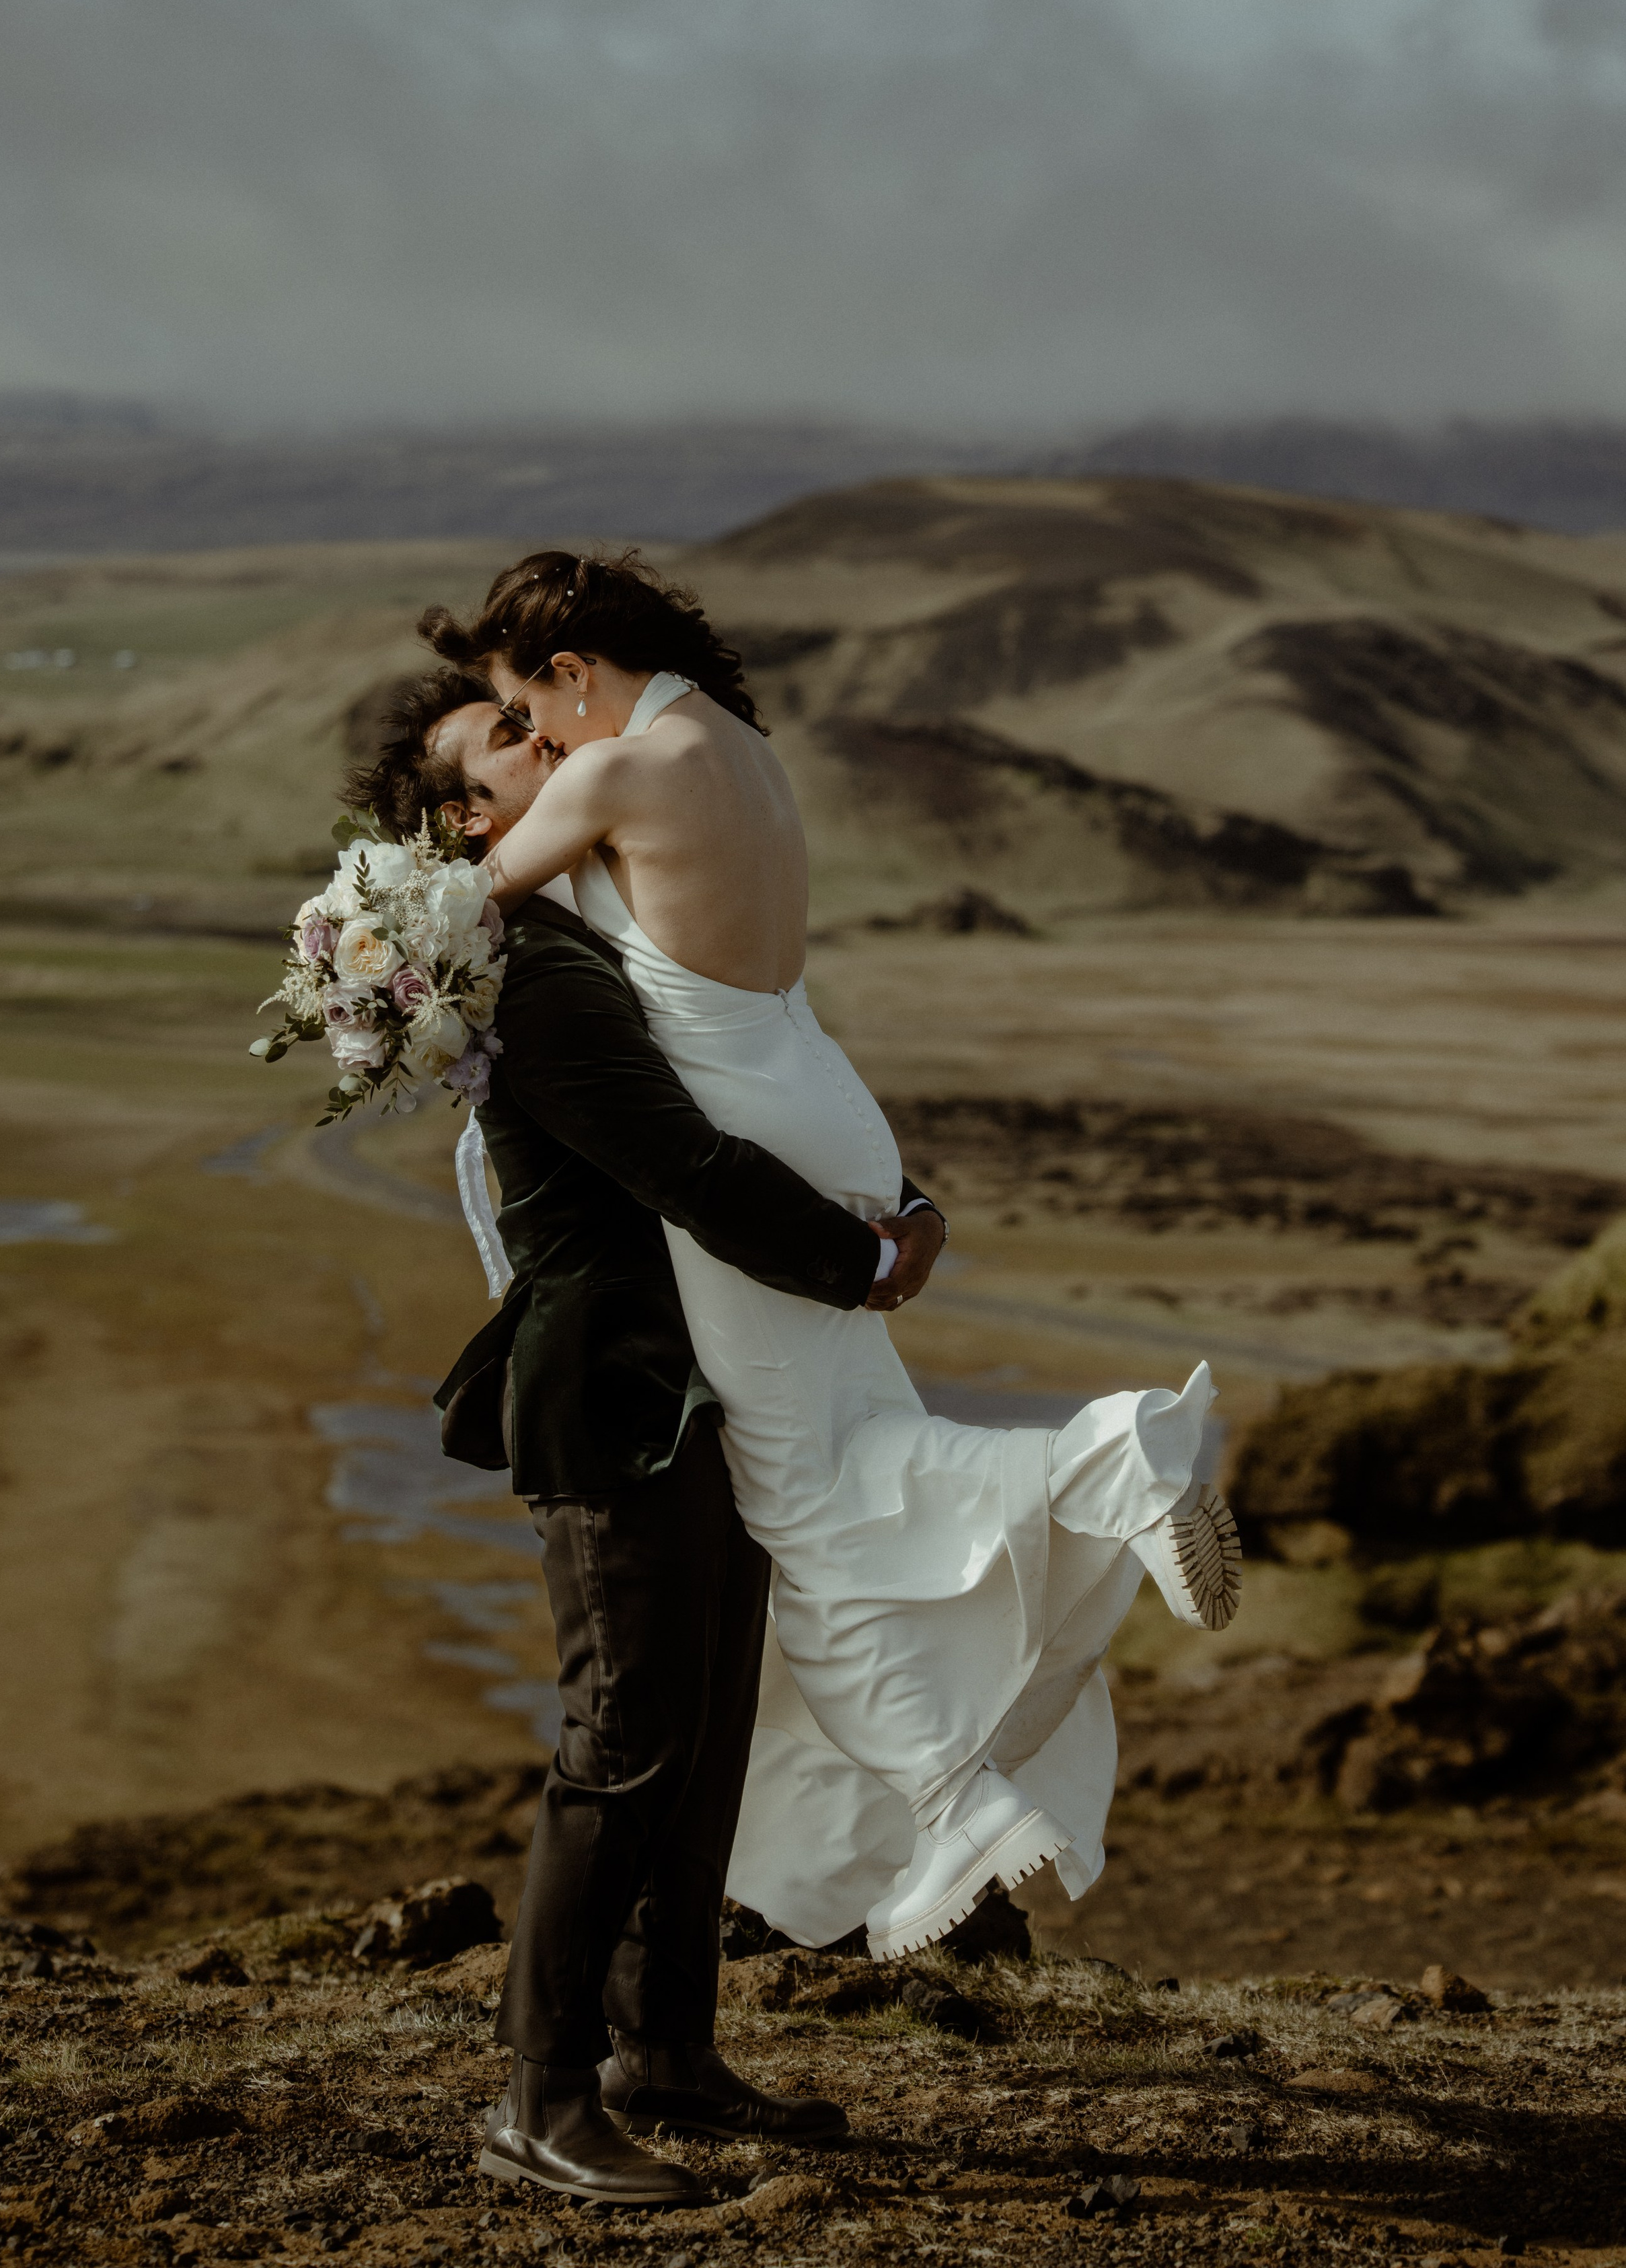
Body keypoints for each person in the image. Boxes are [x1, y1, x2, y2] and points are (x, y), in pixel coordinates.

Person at [421, 552, 1241, 1969]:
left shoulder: (608, 775)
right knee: (859, 1447)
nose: (541, 744)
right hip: (824, 1099)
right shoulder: (730, 745)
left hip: (748, 1130)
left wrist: (368, 933)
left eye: (526, 709)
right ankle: (945, 1783)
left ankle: (1104, 1475)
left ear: (569, 669)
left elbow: (456, 911)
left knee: (806, 1501)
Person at [344, 684, 945, 2207]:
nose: (557, 742)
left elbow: (746, 1081)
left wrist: (895, 1191)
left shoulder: (602, 933)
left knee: (707, 1718)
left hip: (714, 1380)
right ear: (472, 824)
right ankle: (538, 2097)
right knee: (622, 1741)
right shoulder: (531, 970)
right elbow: (680, 1162)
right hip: (615, 1389)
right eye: (512, 739)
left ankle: (663, 2050)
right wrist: (864, 1261)